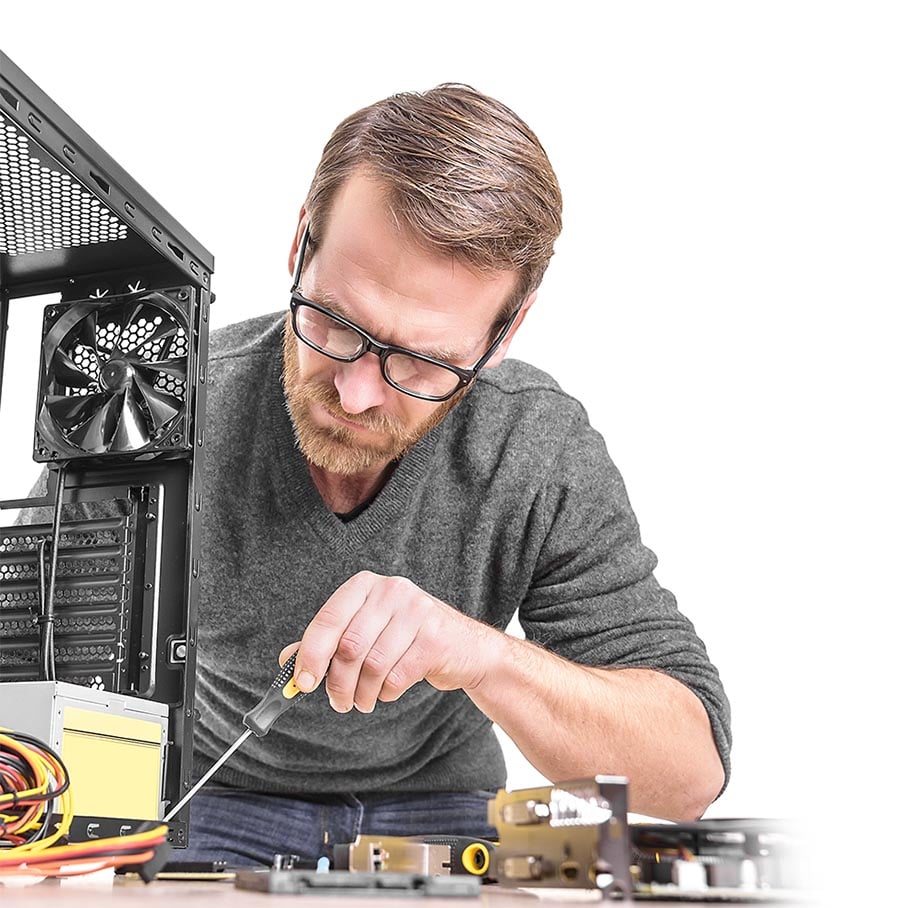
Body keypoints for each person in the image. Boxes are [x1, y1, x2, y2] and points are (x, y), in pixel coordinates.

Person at [25, 84, 732, 866]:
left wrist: (482, 656)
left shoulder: (532, 443)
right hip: (206, 806)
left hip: (446, 816)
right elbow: (25, 659)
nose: (357, 394)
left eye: (422, 363)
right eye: (336, 322)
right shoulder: (157, 409)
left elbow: (684, 780)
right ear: (301, 244)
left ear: (505, 332)